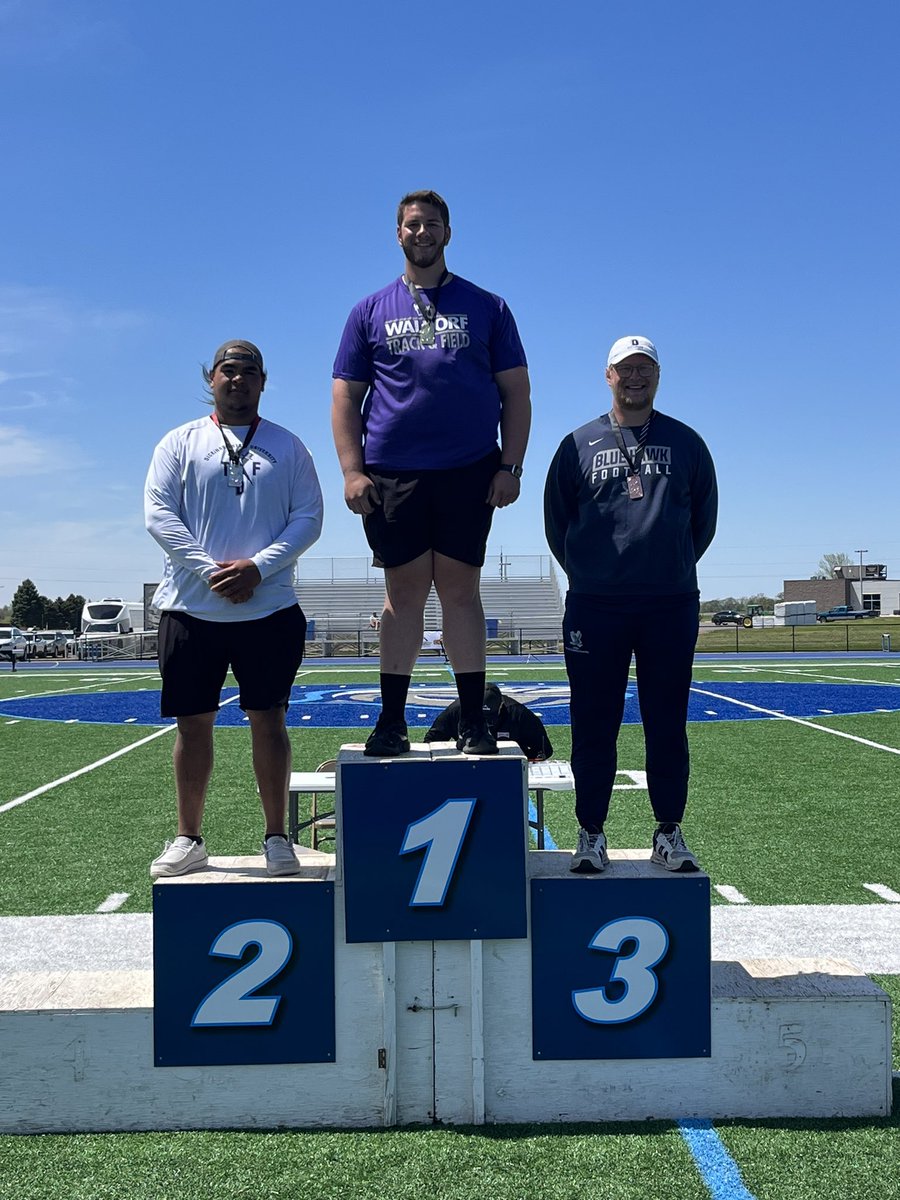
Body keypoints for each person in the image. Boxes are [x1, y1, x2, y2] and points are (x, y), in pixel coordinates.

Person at [332, 189, 531, 757]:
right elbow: (345, 395)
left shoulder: (488, 306)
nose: (422, 233)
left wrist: (510, 465)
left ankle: (475, 722)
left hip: (468, 470)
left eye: (433, 224)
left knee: (461, 594)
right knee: (403, 595)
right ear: (398, 234)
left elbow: (516, 391)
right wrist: (352, 470)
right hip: (392, 474)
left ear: (448, 233)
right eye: (413, 224)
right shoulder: (368, 310)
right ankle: (391, 721)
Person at [145, 339, 324, 879]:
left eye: (249, 372)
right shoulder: (179, 442)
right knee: (191, 725)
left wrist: (258, 569)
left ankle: (276, 837)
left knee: (269, 721)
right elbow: (158, 513)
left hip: (268, 609)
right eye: (228, 371)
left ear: (263, 382)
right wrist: (210, 570)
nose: (238, 380)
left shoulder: (289, 447)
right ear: (212, 379)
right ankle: (188, 837)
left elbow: (308, 518)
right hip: (190, 608)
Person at [544, 335, 717, 874]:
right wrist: (595, 572)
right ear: (608, 376)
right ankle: (591, 832)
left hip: (669, 603)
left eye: (645, 369)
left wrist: (667, 566)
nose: (635, 378)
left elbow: (703, 523)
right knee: (594, 722)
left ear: (657, 376)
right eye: (626, 370)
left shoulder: (687, 442)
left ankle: (668, 831)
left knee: (667, 722)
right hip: (597, 606)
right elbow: (557, 523)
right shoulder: (578, 444)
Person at [424, 682, 553, 761]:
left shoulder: (518, 713)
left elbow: (543, 749)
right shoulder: (455, 711)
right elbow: (430, 743)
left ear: (501, 706)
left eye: (489, 719)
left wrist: (515, 761)